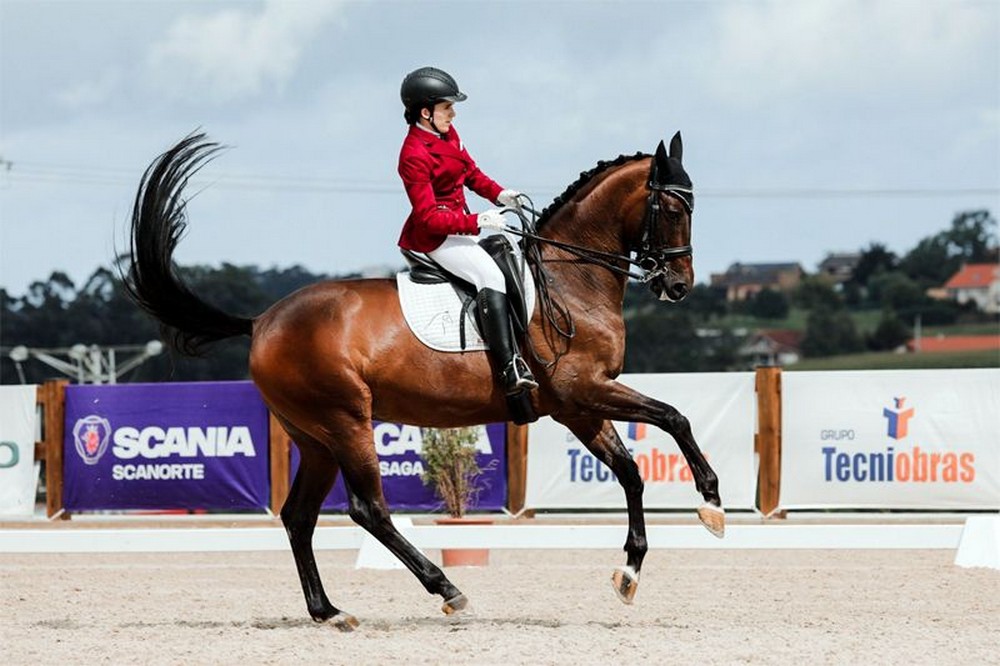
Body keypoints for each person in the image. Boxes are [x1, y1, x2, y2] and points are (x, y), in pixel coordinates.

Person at [397, 66, 537, 395]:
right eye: (447, 108)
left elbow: (471, 173)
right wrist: (477, 222)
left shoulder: (448, 135)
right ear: (426, 112)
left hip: (461, 226)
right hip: (436, 236)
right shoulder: (413, 155)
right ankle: (509, 367)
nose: (453, 114)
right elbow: (429, 218)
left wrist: (500, 194)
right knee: (491, 276)